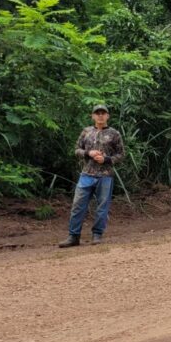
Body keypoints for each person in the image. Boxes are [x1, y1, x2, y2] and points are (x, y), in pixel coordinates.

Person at [58, 105, 125, 248]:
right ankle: (73, 236)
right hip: (86, 174)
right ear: (92, 116)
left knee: (102, 207)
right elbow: (77, 149)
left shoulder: (114, 134)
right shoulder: (86, 131)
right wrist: (89, 153)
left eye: (103, 113)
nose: (100, 116)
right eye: (97, 113)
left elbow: (121, 154)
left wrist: (107, 159)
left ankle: (97, 235)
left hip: (105, 175)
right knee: (77, 206)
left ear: (108, 116)